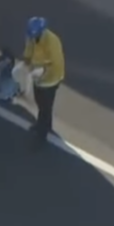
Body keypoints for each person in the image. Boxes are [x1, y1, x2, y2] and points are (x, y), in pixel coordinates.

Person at [22, 16, 65, 149]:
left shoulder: (52, 42)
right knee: (40, 102)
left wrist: (43, 77)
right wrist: (27, 59)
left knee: (46, 107)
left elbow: (55, 65)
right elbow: (29, 47)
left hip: (50, 79)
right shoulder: (32, 36)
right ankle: (43, 124)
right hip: (38, 76)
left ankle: (41, 136)